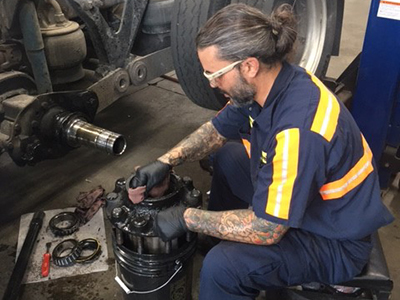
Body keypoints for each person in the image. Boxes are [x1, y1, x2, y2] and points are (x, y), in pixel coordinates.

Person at [129, 3, 394, 299]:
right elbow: (217, 131)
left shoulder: (299, 131)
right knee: (228, 157)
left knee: (222, 268)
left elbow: (267, 229)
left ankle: (228, 266)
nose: (213, 84)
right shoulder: (270, 84)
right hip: (312, 206)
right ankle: (219, 241)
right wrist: (166, 162)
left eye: (215, 74)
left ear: (249, 66)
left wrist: (186, 218)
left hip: (334, 238)